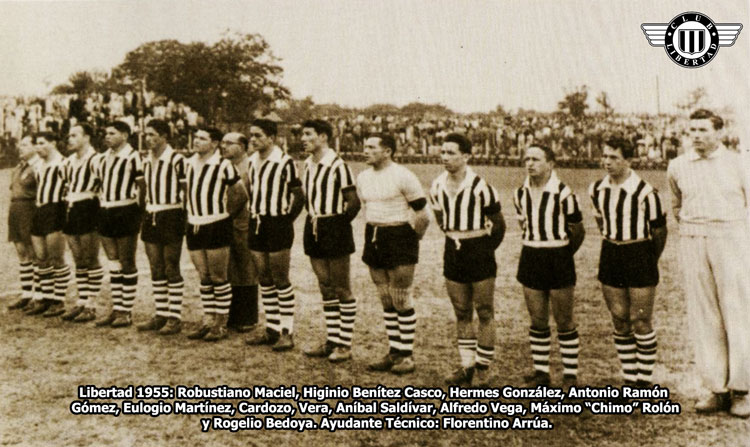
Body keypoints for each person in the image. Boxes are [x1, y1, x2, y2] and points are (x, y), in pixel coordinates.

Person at [667, 109, 750, 418]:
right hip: (694, 238)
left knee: (736, 310)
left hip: (731, 239)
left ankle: (742, 389)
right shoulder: (677, 165)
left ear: (718, 131)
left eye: (703, 129)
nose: (697, 135)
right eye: (693, 130)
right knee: (704, 314)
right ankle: (717, 389)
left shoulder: (738, 163)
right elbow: (677, 205)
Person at [589, 136, 667, 387]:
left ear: (628, 160)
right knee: (620, 318)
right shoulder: (596, 189)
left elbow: (659, 232)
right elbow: (601, 221)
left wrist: (648, 258)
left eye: (614, 157)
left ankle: (644, 382)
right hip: (611, 253)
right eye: (605, 156)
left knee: (641, 319)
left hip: (639, 254)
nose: (607, 162)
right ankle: (629, 379)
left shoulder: (645, 192)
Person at [429, 133, 505, 387]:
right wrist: (457, 239)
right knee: (461, 311)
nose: (445, 158)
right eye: (443, 152)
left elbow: (499, 225)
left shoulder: (481, 186)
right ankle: (467, 366)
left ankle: (483, 368)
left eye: (451, 153)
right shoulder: (437, 186)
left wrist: (483, 249)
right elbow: (441, 221)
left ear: (466, 156)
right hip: (453, 249)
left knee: (484, 310)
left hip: (479, 249)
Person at [357, 134, 430, 374]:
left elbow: (423, 215)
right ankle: (394, 351)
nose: (365, 150)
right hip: (374, 236)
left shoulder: (403, 175)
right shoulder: (363, 177)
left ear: (387, 151)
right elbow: (369, 208)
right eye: (365, 146)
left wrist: (411, 240)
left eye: (371, 147)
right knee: (385, 298)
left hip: (399, 236)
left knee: (401, 297)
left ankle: (407, 356)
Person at [513, 145, 585, 388]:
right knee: (537, 319)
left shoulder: (564, 193)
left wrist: (561, 253)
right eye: (527, 159)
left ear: (550, 163)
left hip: (558, 257)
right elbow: (525, 224)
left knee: (564, 320)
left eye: (536, 159)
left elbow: (578, 231)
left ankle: (570, 375)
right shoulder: (519, 193)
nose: (529, 163)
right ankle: (541, 372)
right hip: (530, 256)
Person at [299, 120, 361, 363]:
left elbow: (353, 202)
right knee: (325, 286)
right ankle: (331, 340)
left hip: (334, 226)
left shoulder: (338, 165)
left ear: (323, 136)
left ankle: (345, 345)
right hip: (313, 225)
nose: (303, 139)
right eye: (302, 134)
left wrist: (337, 225)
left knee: (341, 287)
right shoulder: (307, 163)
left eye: (308, 134)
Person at [244, 119, 304, 351]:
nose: (253, 139)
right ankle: (272, 328)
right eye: (251, 135)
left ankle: (287, 332)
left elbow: (298, 195)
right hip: (256, 221)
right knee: (264, 278)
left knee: (280, 279)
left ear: (271, 138)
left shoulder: (285, 162)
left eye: (258, 135)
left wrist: (285, 220)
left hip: (277, 223)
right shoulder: (252, 161)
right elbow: (251, 189)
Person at [185, 127, 247, 341]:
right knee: (204, 277)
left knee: (219, 277)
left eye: (202, 139)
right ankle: (208, 319)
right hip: (194, 224)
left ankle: (221, 323)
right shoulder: (188, 163)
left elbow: (240, 194)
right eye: (195, 138)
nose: (196, 141)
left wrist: (225, 215)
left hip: (216, 225)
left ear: (214, 143)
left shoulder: (224, 165)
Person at [136, 119, 187, 335]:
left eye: (152, 135)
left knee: (170, 266)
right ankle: (161, 314)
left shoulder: (177, 160)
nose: (148, 139)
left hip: (172, 214)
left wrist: (183, 218)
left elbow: (186, 191)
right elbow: (143, 189)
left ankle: (175, 318)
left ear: (164, 136)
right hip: (152, 214)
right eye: (146, 135)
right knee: (155, 267)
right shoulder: (145, 160)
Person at [94, 121, 144, 328]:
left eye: (112, 133)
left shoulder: (134, 157)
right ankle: (117, 308)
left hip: (126, 210)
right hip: (106, 210)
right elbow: (98, 184)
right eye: (106, 133)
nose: (107, 136)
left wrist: (139, 213)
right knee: (113, 262)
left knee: (126, 260)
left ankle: (126, 310)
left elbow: (143, 187)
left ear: (125, 135)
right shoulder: (102, 158)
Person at [60, 123, 104, 323]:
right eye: (69, 135)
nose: (70, 139)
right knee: (78, 258)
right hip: (72, 207)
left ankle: (92, 304)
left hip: (89, 207)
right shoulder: (68, 162)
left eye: (74, 135)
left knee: (90, 257)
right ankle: (82, 301)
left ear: (87, 137)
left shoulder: (97, 160)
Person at [26, 132, 71, 317]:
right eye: (36, 144)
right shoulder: (39, 164)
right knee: (41, 257)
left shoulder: (64, 163)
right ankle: (45, 297)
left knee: (56, 257)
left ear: (53, 143)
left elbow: (70, 187)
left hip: (56, 210)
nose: (38, 147)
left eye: (42, 143)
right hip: (40, 209)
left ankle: (58, 300)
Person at [220, 131, 259, 333]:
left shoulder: (250, 165)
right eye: (222, 142)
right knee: (230, 268)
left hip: (243, 222)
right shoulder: (224, 165)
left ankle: (248, 317)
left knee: (246, 268)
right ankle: (232, 314)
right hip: (226, 221)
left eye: (229, 143)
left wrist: (226, 215)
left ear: (242, 147)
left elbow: (242, 196)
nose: (224, 146)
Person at [7, 136, 41, 311]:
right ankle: (27, 293)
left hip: (30, 209)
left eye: (26, 144)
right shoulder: (18, 167)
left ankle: (38, 295)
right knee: (21, 252)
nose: (21, 147)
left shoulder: (38, 166)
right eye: (21, 144)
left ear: (35, 148)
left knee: (33, 252)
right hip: (15, 210)